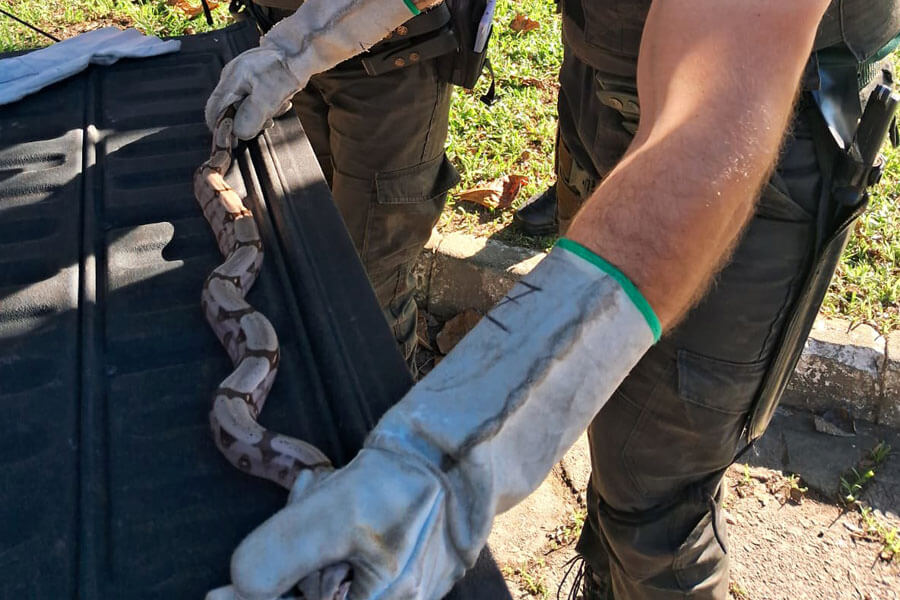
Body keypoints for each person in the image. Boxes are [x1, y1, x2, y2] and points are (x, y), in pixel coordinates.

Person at [203, 0, 899, 598]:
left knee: (655, 505)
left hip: (763, 133)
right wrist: (302, 42)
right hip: (603, 87)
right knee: (607, 431)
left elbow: (722, 95)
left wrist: (458, 433)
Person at [222, 0, 461, 364]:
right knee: (302, 251)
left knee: (365, 297)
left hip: (389, 53)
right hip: (272, 39)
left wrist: (296, 49)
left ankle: (383, 416)